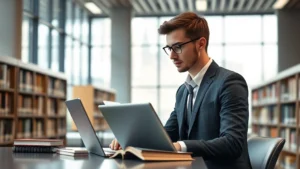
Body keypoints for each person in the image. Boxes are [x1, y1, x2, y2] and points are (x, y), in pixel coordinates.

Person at [110, 12, 252, 169]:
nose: (171, 56)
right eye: (169, 48)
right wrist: (130, 140)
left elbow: (232, 143)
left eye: (177, 47)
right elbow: (166, 136)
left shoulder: (229, 82)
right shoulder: (183, 92)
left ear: (200, 44)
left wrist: (180, 146)